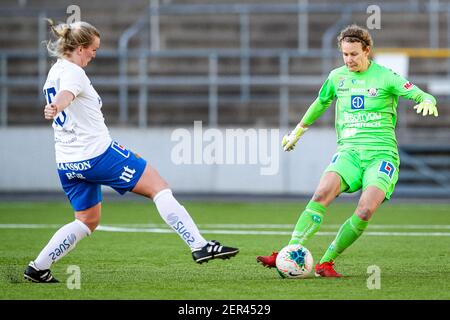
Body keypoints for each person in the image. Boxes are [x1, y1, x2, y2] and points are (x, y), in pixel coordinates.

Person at [24, 20, 239, 283]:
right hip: (98, 155)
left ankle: (39, 267)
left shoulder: (54, 71)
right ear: (80, 48)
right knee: (158, 187)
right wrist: (56, 106)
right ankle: (199, 245)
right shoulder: (73, 73)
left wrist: (56, 105)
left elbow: (65, 96)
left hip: (68, 163)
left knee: (87, 220)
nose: (94, 54)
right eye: (93, 49)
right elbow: (66, 95)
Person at [256, 24, 438, 277]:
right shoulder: (336, 77)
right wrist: (298, 131)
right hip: (350, 153)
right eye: (345, 54)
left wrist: (428, 100)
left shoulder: (386, 76)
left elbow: (418, 94)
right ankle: (288, 252)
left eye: (354, 54)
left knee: (365, 209)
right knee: (321, 193)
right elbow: (321, 103)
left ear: (367, 51)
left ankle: (326, 262)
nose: (349, 59)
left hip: (381, 156)